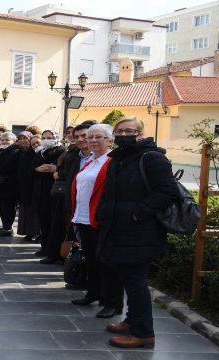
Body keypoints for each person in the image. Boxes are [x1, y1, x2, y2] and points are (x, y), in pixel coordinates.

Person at [97, 117, 178, 349]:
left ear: (140, 134)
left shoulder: (152, 158)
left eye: (129, 131)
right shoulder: (118, 159)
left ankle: (143, 333)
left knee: (136, 281)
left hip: (141, 231)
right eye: (119, 131)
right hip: (119, 229)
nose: (123, 134)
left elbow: (167, 191)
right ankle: (132, 320)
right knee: (128, 279)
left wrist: (138, 213)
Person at [69, 124, 114, 315]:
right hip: (83, 218)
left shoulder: (111, 161)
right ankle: (93, 292)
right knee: (92, 261)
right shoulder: (91, 161)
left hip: (100, 220)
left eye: (98, 137)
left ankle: (111, 302)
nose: (92, 140)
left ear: (110, 140)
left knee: (106, 262)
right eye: (90, 137)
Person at [40, 122, 95, 265]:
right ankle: (61, 256)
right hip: (69, 198)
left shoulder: (100, 157)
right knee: (61, 226)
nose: (81, 139)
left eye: (85, 135)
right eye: (77, 136)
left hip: (92, 203)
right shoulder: (73, 156)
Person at [32, 130, 66, 256]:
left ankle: (53, 251)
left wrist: (54, 169)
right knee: (43, 222)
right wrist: (37, 168)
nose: (46, 140)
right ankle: (44, 247)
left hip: (53, 191)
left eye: (49, 137)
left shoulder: (61, 151)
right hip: (40, 191)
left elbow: (61, 167)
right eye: (44, 137)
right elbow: (33, 167)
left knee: (53, 223)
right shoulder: (40, 151)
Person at [16, 131, 40, 241]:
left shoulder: (34, 152)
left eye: (25, 138)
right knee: (25, 209)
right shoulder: (20, 152)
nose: (22, 140)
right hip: (22, 185)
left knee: (32, 209)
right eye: (20, 138)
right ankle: (27, 231)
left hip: (33, 184)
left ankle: (34, 232)